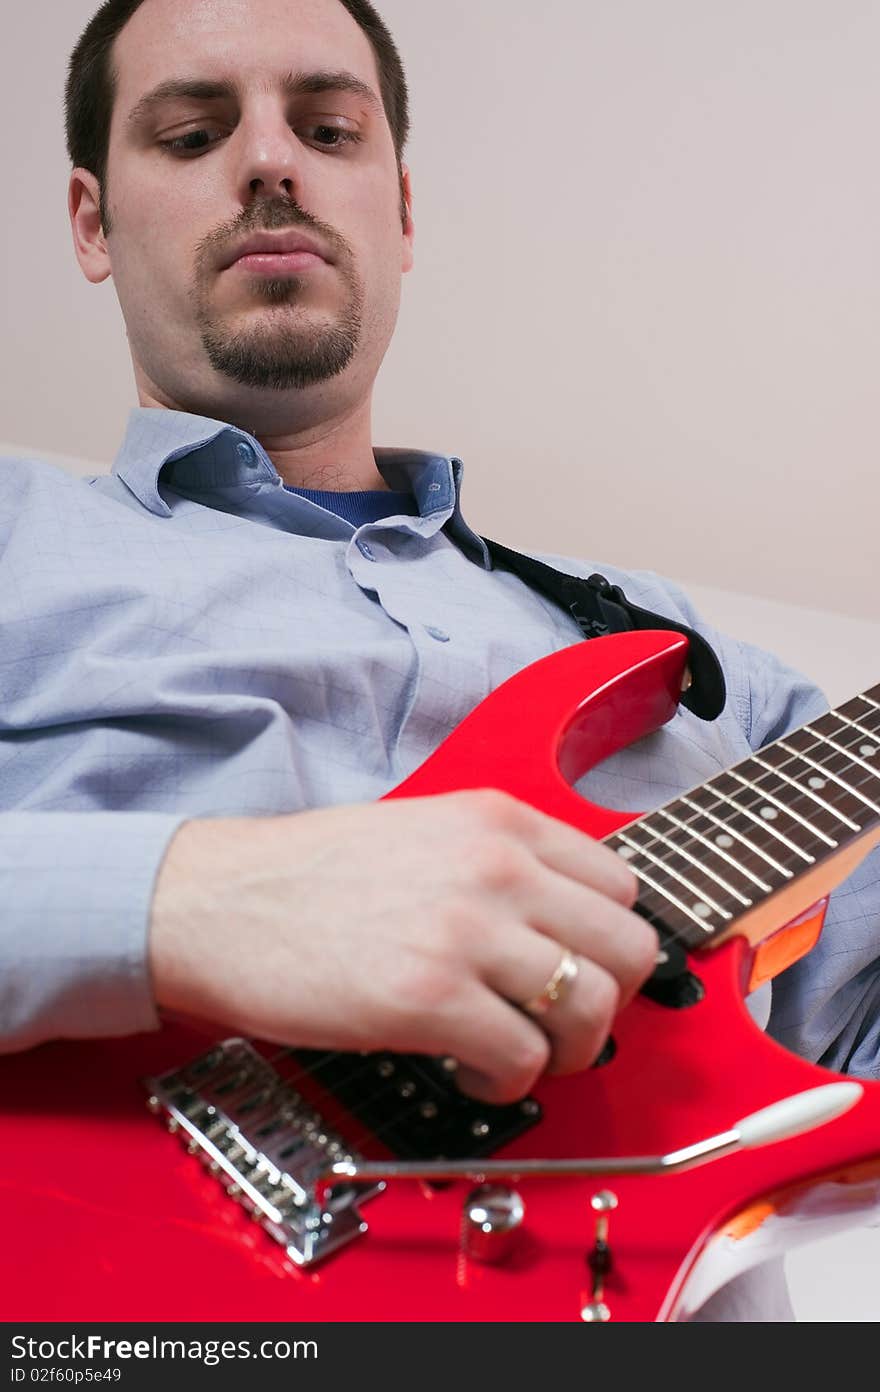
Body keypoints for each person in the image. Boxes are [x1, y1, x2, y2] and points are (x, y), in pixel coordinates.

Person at [1, 0, 878, 1322]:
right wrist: (187, 900)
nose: (268, 162)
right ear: (89, 221)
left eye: (328, 126)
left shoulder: (697, 668)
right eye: (191, 132)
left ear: (400, 212)